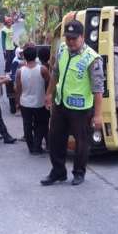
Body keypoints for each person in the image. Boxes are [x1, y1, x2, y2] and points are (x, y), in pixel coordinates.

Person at [41, 20, 104, 186]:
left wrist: (98, 115)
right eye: (68, 38)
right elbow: (55, 73)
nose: (70, 41)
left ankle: (79, 172)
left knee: (82, 142)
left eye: (74, 38)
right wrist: (49, 94)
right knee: (55, 139)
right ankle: (58, 172)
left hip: (82, 109)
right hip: (61, 104)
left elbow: (98, 89)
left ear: (82, 37)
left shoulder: (93, 59)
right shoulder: (62, 49)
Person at [15, 45, 50, 155]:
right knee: (42, 125)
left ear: (24, 57)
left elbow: (18, 89)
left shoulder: (20, 71)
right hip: (40, 103)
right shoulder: (42, 69)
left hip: (25, 103)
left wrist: (17, 103)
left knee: (27, 125)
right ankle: (37, 146)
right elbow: (50, 84)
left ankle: (31, 148)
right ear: (36, 56)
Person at [1, 16, 17, 114]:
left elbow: (12, 38)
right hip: (7, 48)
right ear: (6, 23)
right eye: (9, 21)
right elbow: (3, 40)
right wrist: (3, 50)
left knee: (12, 61)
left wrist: (15, 45)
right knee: (8, 61)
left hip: (11, 47)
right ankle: (8, 72)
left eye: (11, 21)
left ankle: (11, 70)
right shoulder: (3, 30)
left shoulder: (12, 28)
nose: (11, 23)